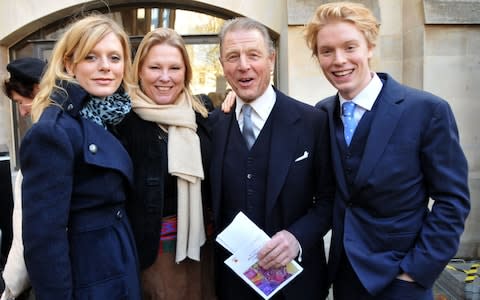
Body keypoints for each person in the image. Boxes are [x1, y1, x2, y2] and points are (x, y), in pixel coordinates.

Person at [305, 2, 470, 299]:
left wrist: (416, 271)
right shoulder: (322, 113)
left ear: (369, 47)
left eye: (350, 47)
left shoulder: (426, 110)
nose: (339, 60)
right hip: (344, 278)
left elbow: (452, 200)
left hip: (402, 280)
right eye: (327, 51)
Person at [211, 17, 335, 299]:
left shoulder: (313, 122)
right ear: (222, 65)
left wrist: (297, 238)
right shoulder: (212, 125)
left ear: (271, 59)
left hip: (299, 285)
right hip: (231, 286)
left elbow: (330, 198)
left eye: (253, 55)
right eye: (233, 57)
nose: (243, 65)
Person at [19, 14, 141, 299]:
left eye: (114, 58)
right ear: (68, 64)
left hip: (118, 268)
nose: (105, 68)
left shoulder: (110, 116)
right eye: (91, 57)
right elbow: (43, 242)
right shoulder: (53, 132)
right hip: (89, 281)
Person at [115, 27, 215, 300]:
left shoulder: (202, 114)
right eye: (155, 67)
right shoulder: (123, 121)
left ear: (186, 72)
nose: (165, 77)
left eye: (174, 68)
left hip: (204, 249)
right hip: (154, 255)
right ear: (139, 71)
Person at [1, 57, 45, 300]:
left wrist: (10, 289)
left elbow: (26, 229)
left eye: (21, 101)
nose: (22, 111)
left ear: (38, 90)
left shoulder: (42, 140)